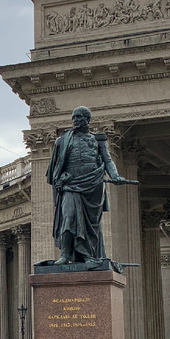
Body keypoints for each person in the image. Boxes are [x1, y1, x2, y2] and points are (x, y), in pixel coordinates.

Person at [46, 106, 136, 268]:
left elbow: (107, 160)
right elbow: (55, 168)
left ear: (87, 120)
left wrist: (115, 176)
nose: (75, 121)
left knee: (90, 225)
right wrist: (61, 177)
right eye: (73, 117)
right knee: (68, 217)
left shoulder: (98, 139)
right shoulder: (62, 140)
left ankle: (88, 255)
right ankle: (65, 254)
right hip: (71, 185)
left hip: (92, 186)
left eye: (79, 117)